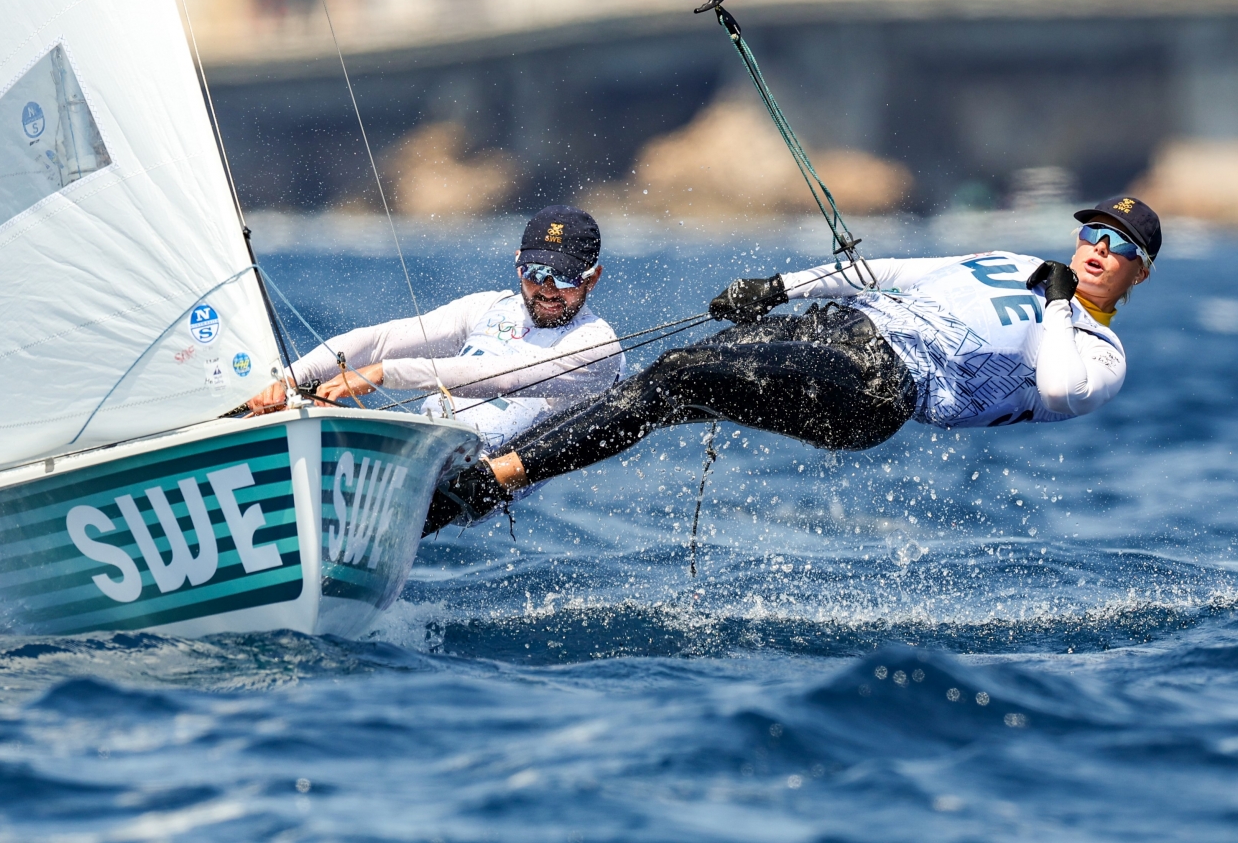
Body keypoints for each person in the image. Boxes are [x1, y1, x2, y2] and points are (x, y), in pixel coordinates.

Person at [426, 195, 1159, 532]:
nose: (1099, 249)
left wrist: (1062, 304)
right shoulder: (1010, 261)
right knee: (666, 379)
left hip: (878, 388)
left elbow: (1059, 387)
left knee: (678, 379)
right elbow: (891, 271)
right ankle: (483, 474)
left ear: (1139, 274)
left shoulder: (1100, 352)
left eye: (1120, 246)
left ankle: (488, 484)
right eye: (1095, 232)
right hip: (830, 327)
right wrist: (778, 288)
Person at [245, 205, 626, 451]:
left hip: (478, 481)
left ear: (593, 279)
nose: (546, 289)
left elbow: (505, 378)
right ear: (517, 264)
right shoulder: (487, 307)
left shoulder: (597, 345)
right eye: (535, 272)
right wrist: (290, 379)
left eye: (564, 277)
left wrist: (389, 374)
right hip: (419, 451)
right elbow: (379, 341)